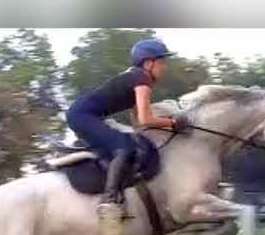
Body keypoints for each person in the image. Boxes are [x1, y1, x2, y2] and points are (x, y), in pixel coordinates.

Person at [65, 38, 193, 205]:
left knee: (132, 142)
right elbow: (146, 119)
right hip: (83, 116)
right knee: (124, 147)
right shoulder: (142, 80)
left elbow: (138, 120)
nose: (163, 67)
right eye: (160, 62)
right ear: (148, 63)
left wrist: (165, 125)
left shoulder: (136, 77)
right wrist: (173, 123)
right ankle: (110, 201)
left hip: (84, 114)